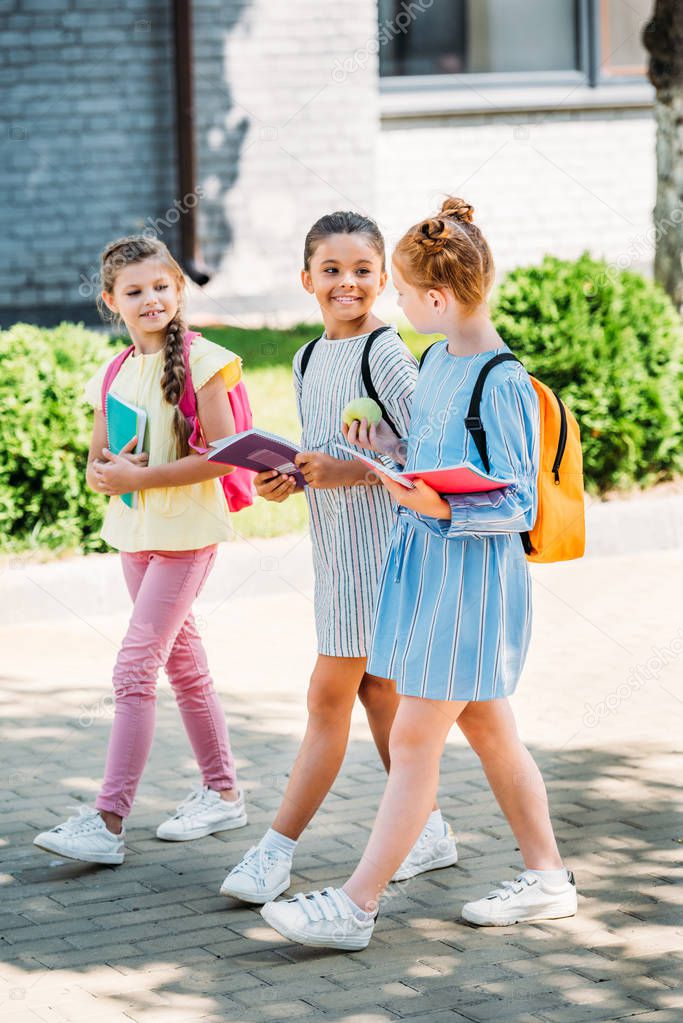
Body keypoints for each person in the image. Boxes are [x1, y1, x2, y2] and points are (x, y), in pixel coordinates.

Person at [259, 198, 577, 950]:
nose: (394, 304)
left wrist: (431, 499)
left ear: (436, 298)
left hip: (469, 585)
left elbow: (517, 499)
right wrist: (388, 452)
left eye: (401, 290)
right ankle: (547, 878)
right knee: (495, 734)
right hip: (429, 576)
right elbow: (425, 456)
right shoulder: (437, 361)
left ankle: (356, 904)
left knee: (410, 742)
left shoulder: (499, 379)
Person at [221, 211, 457, 903]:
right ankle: (429, 831)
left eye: (361, 271)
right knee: (378, 693)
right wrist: (285, 478)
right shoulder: (302, 358)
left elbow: (427, 457)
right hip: (335, 553)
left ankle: (274, 849)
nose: (346, 283)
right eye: (331, 270)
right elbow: (322, 451)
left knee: (328, 696)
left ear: (384, 279)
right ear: (306, 279)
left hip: (385, 553)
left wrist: (349, 470)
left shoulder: (383, 352)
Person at [33, 235, 246, 865]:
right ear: (111, 301)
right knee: (183, 665)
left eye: (161, 287)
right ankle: (223, 791)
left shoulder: (208, 362)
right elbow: (100, 460)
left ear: (179, 290)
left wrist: (141, 478)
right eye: (134, 291)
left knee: (133, 668)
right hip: (135, 536)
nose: (150, 299)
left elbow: (224, 453)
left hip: (186, 536)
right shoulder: (115, 370)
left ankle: (108, 820)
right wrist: (105, 473)